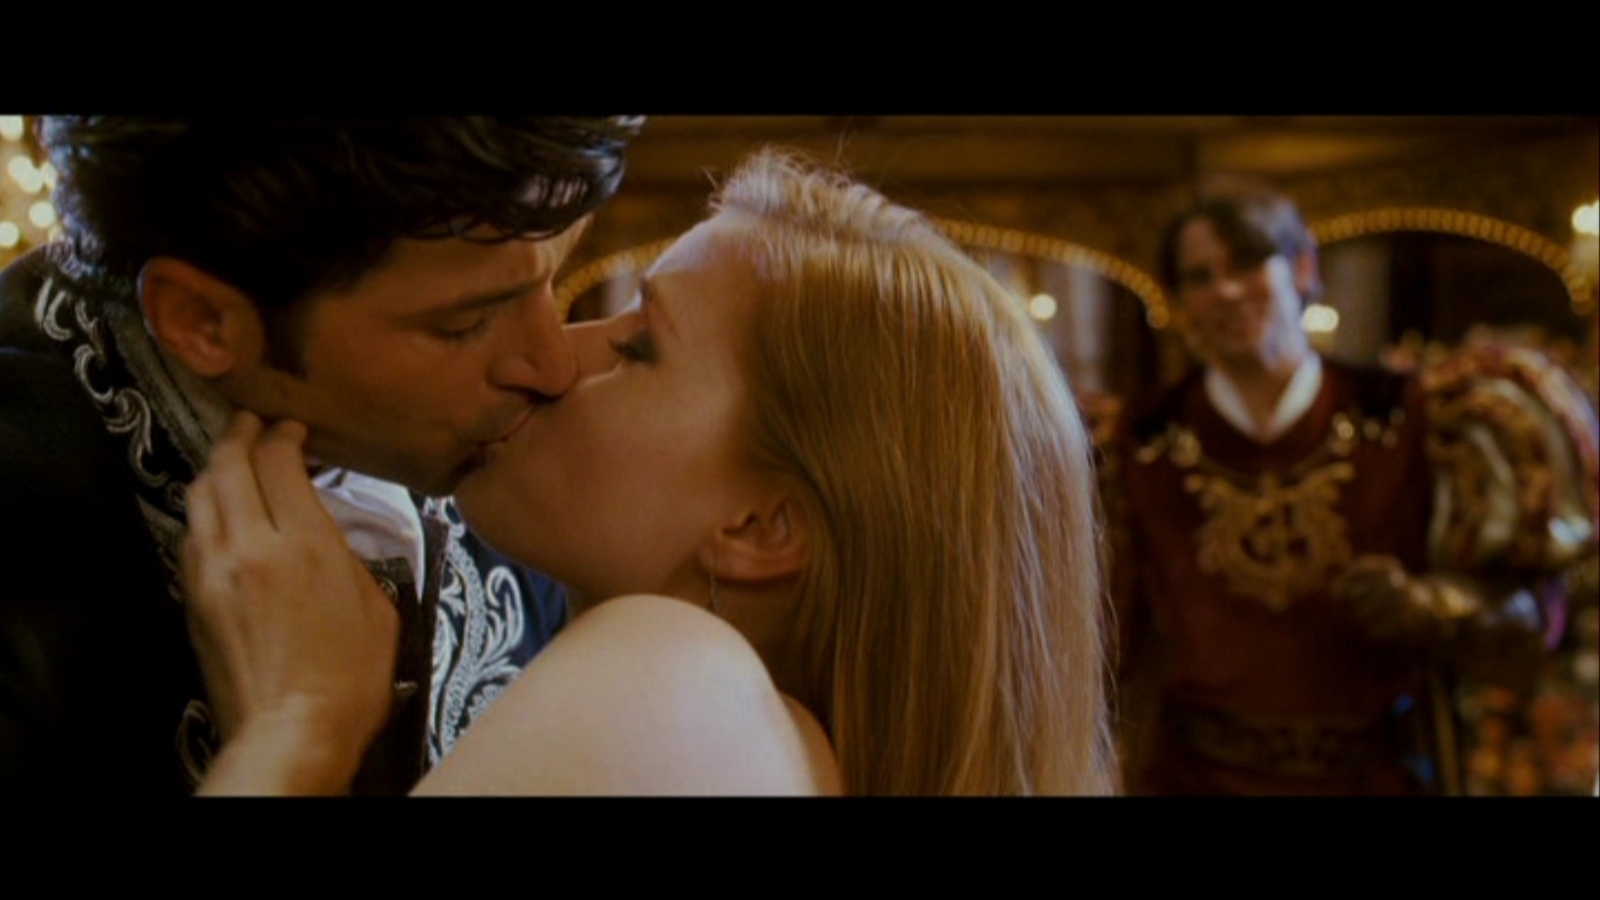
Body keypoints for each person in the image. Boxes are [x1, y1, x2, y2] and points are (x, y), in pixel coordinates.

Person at [182, 148, 1120, 795]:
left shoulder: (678, 675)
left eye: (638, 346)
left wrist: (297, 730)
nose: (557, 358)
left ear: (759, 528)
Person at [0, 117, 644, 795]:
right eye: (465, 322)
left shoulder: (531, 465)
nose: (554, 366)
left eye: (555, 274)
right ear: (202, 320)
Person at [1107, 178, 1598, 795]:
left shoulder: (1408, 418)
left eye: (1248, 263)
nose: (1226, 290)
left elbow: (1533, 619)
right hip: (1195, 778)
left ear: (1302, 268)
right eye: (1200, 277)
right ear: (1181, 302)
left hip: (1377, 776)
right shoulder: (1143, 440)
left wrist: (1430, 605)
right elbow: (1110, 640)